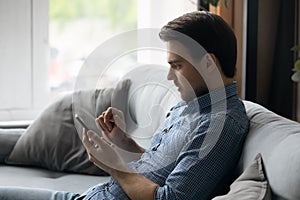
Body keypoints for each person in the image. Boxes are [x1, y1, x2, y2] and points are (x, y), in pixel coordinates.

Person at [0, 11, 249, 200]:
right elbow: (160, 168)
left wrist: (114, 166)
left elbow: (169, 197)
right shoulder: (192, 106)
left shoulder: (221, 125)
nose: (169, 77)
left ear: (208, 63)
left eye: (177, 65)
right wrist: (122, 141)